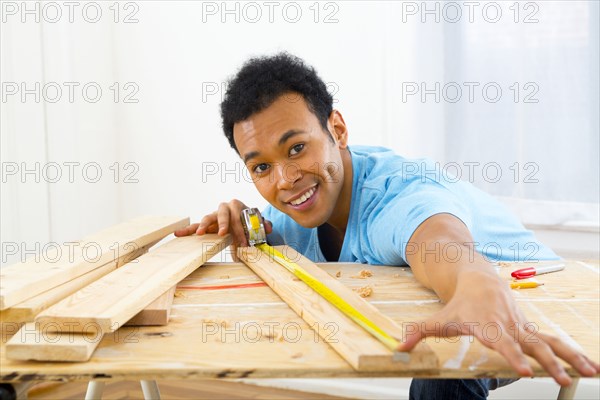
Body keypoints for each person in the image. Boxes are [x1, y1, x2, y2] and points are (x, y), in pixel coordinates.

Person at [175, 52, 599, 399]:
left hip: (528, 298)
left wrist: (474, 285)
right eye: (262, 166)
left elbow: (446, 247)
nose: (285, 180)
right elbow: (270, 243)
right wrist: (250, 230)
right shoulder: (291, 212)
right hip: (469, 303)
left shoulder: (399, 193)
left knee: (443, 381)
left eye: (297, 148)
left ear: (337, 130)